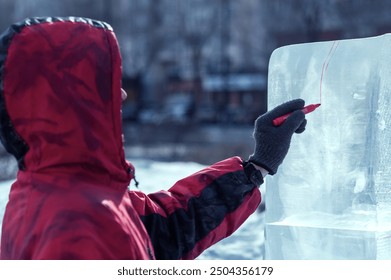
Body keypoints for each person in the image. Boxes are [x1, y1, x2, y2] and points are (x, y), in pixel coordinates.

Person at [0, 17, 306, 260]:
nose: (121, 94)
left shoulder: (75, 192)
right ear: (71, 100)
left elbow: (166, 229)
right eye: (106, 85)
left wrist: (257, 167)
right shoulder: (75, 224)